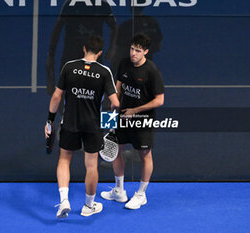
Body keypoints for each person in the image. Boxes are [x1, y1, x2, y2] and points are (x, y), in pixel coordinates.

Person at [45, 35, 119, 218]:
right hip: (92, 126)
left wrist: (50, 120)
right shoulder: (104, 72)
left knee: (64, 160)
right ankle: (88, 206)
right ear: (100, 53)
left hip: (70, 123)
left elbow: (56, 97)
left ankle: (64, 201)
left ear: (84, 48)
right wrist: (110, 127)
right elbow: (115, 103)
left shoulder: (69, 67)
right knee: (91, 165)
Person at [100, 34, 165, 209]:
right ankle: (119, 191)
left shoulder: (151, 71)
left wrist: (135, 111)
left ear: (145, 51)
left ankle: (141, 194)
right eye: (132, 49)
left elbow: (160, 100)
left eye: (138, 50)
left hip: (142, 120)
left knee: (145, 155)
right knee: (116, 150)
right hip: (121, 116)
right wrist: (112, 111)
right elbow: (118, 87)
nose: (133, 53)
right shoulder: (124, 63)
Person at [46, 0, 117, 112]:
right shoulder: (70, 4)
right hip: (71, 53)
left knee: (100, 90)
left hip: (93, 55)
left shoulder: (103, 5)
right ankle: (65, 119)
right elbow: (57, 28)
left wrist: (112, 48)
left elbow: (114, 26)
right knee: (66, 91)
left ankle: (101, 125)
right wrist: (51, 54)